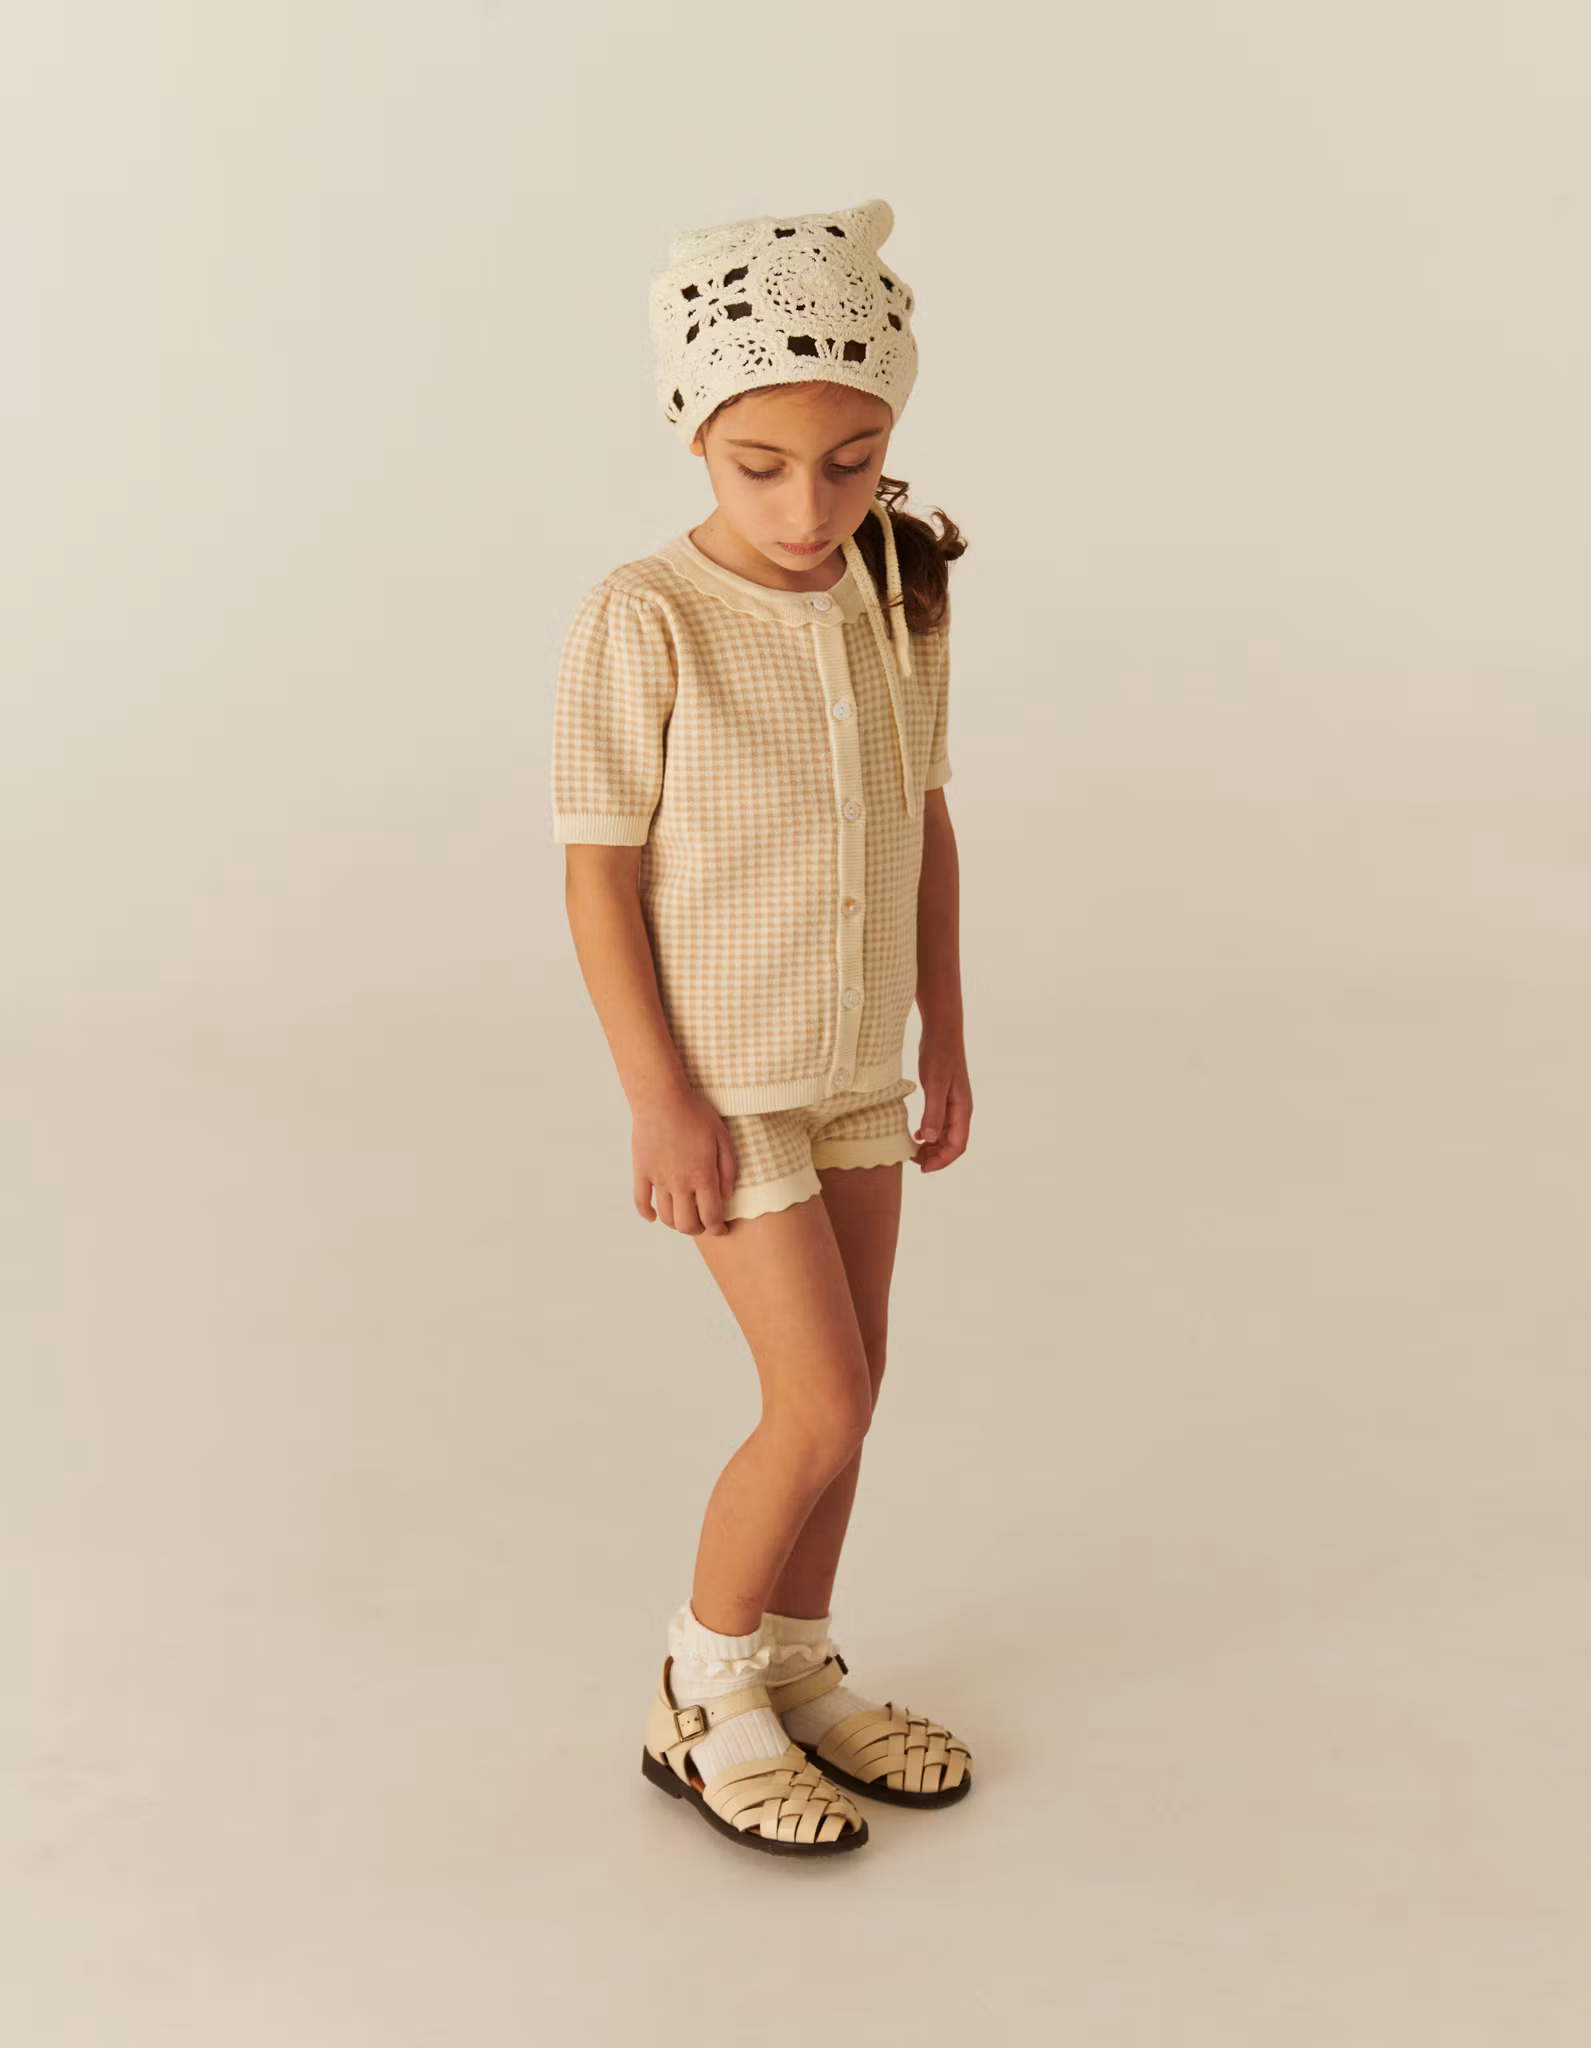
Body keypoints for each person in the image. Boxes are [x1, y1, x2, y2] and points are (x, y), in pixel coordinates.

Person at [550, 198, 974, 1857]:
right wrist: (656, 1099)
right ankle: (700, 1688)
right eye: (762, 466)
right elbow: (597, 876)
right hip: (727, 1087)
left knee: (857, 1388)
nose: (810, 507)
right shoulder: (642, 615)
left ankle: (797, 1665)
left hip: (857, 1066)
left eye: (852, 463)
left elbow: (923, 816)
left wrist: (947, 1036)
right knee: (816, 1405)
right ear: (696, 438)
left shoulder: (895, 587)